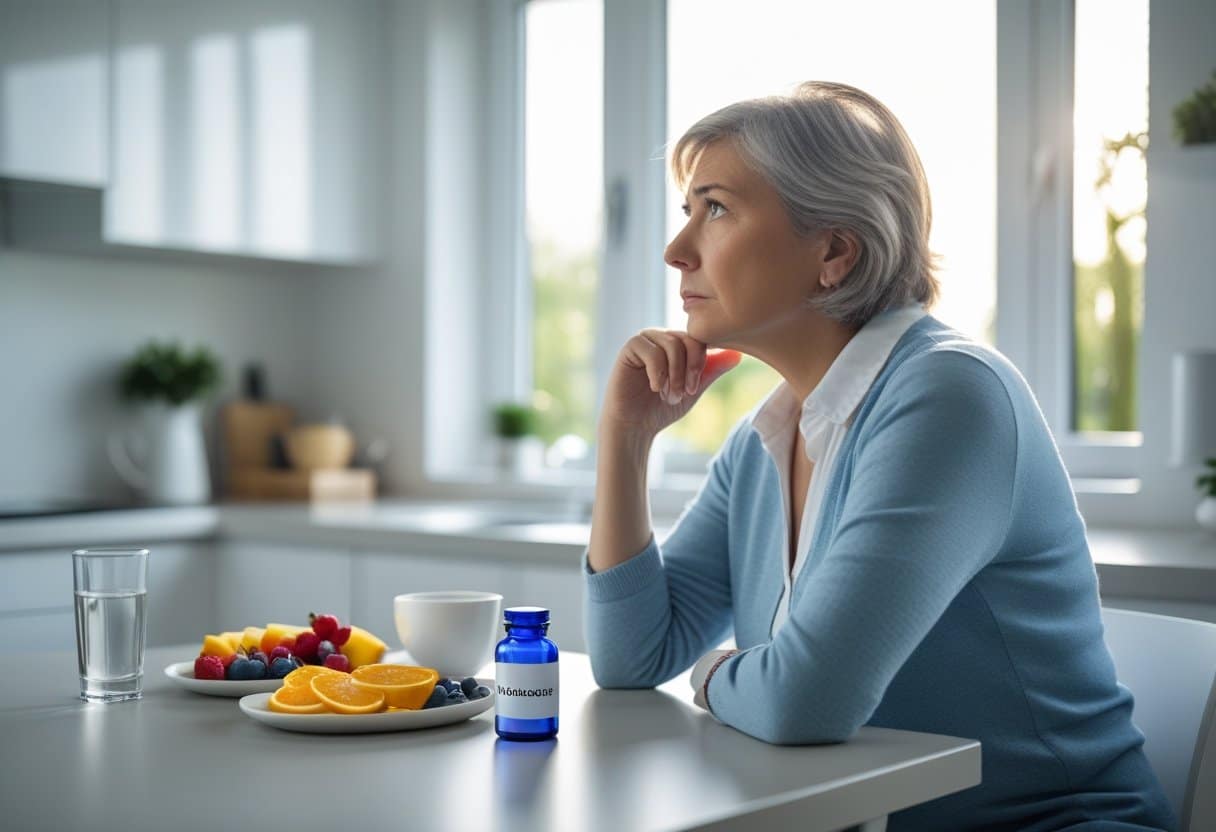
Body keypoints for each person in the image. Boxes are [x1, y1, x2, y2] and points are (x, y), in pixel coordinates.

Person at [582, 81, 1175, 831]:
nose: (677, 251)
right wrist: (625, 438)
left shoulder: (950, 398)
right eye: (687, 212)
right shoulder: (764, 441)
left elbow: (806, 702)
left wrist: (716, 672)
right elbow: (632, 660)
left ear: (833, 250)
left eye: (717, 209)